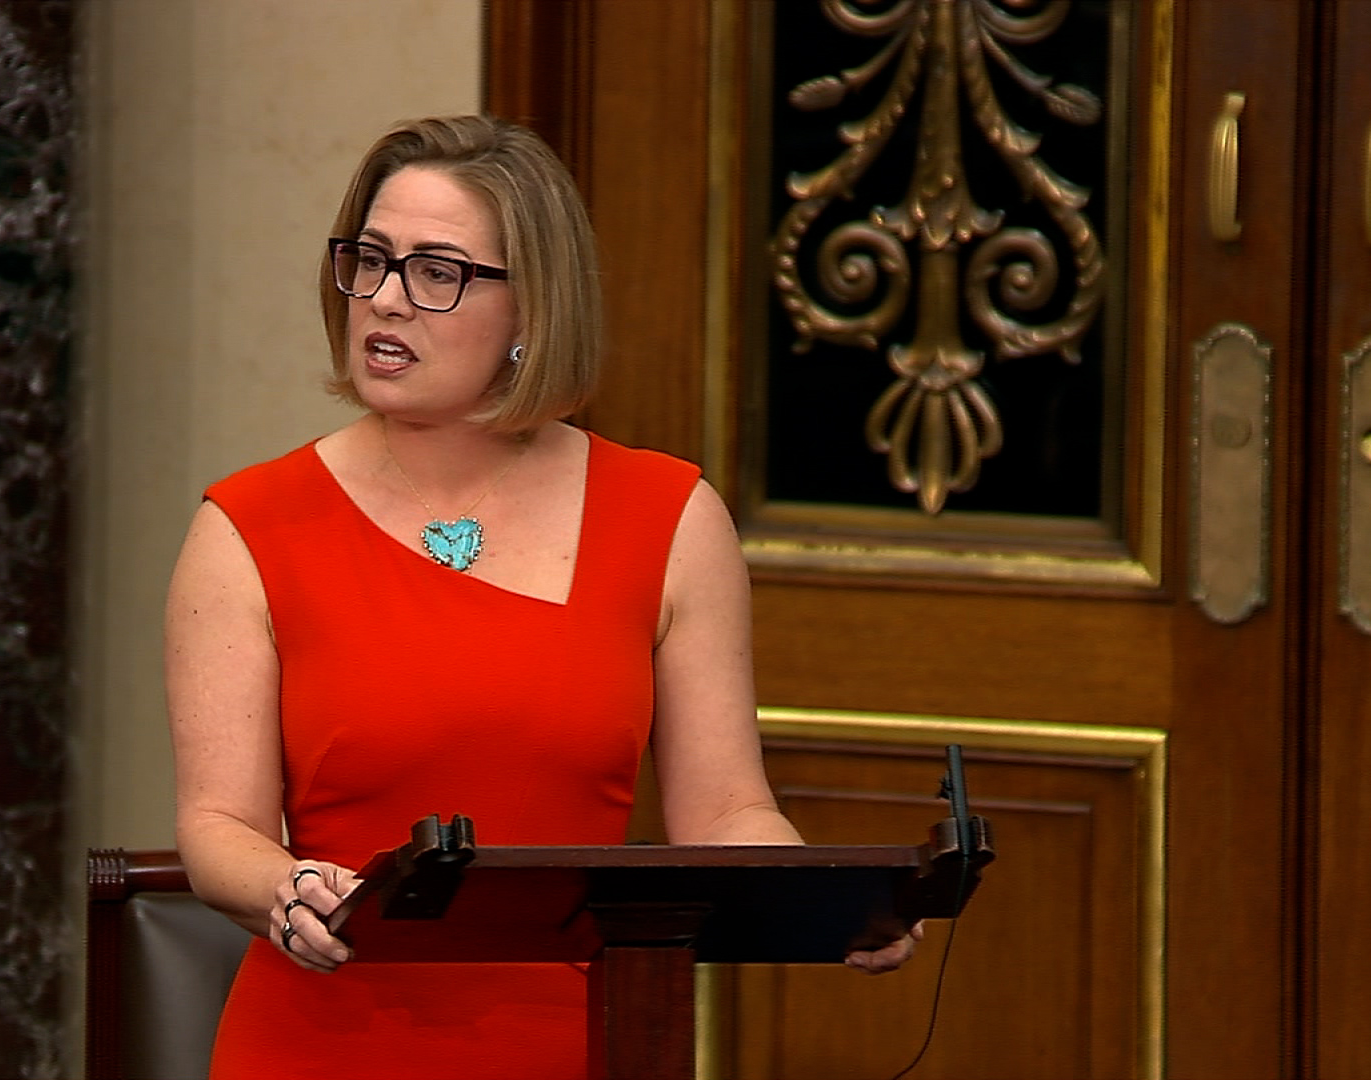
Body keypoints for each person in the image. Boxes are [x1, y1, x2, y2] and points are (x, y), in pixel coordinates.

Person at [164, 114, 920, 1080]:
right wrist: (290, 888)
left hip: (589, 1041)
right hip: (325, 1038)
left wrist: (829, 903)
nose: (386, 301)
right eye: (372, 259)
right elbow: (217, 828)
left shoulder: (669, 518)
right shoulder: (248, 526)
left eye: (438, 273)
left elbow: (727, 810)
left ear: (532, 310)